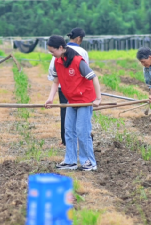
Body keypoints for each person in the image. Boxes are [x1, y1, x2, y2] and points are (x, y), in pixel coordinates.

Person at [45, 35, 101, 171]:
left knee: (82, 131)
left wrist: (98, 98)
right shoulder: (57, 62)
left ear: (60, 48)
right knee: (69, 131)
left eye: (53, 51)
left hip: (84, 100)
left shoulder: (77, 61)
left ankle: (89, 162)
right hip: (71, 100)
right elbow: (56, 82)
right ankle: (70, 161)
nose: (52, 54)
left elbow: (94, 78)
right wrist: (50, 98)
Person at [48, 28, 89, 146]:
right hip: (79, 89)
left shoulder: (58, 52)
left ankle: (65, 140)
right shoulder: (82, 52)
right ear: (79, 38)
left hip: (63, 88)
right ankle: (79, 140)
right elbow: (86, 72)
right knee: (80, 115)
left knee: (65, 112)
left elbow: (53, 73)